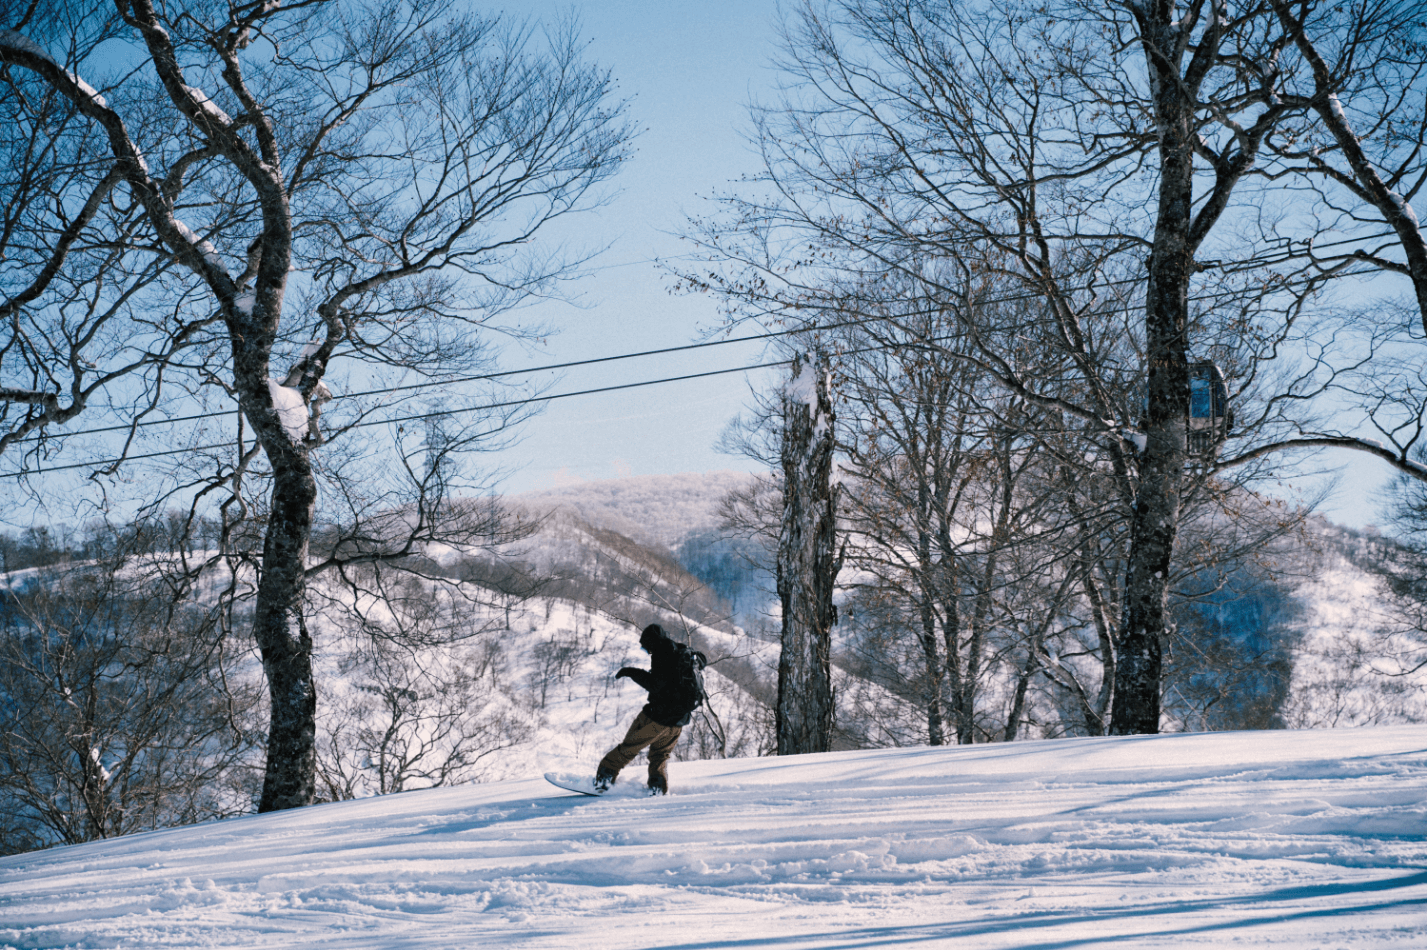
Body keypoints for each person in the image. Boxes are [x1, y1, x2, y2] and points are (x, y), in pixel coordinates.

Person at [594, 623, 705, 795]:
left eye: (646, 647)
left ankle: (603, 780)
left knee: (628, 747)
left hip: (657, 718)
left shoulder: (662, 654)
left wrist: (631, 672)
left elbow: (655, 685)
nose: (646, 651)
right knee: (660, 756)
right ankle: (657, 788)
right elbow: (701, 661)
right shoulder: (683, 652)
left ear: (652, 642)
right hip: (678, 721)